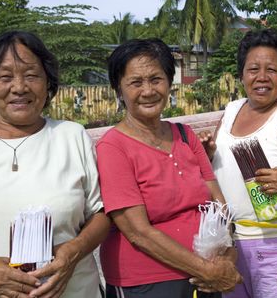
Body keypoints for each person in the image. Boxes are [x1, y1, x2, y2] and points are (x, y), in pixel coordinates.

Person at [0, 30, 110, 298]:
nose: (19, 87)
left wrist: (74, 251)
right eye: (5, 77)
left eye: (31, 75)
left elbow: (101, 212)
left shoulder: (71, 136)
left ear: (47, 83)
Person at [96, 38, 241, 298]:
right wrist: (208, 271)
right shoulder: (113, 147)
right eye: (136, 82)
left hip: (206, 273)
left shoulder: (186, 136)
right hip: (147, 284)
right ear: (119, 89)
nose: (148, 90)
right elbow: (138, 232)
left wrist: (228, 258)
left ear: (169, 82)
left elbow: (219, 205)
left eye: (156, 79)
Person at [198, 29, 277, 298]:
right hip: (232, 244)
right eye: (253, 69)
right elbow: (220, 168)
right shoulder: (232, 110)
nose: (262, 77)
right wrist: (208, 153)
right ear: (242, 75)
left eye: (272, 70)